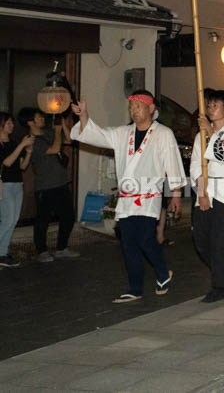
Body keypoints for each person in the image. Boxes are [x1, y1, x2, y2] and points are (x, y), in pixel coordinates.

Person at [70, 91, 186, 302]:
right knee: (128, 243)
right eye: (131, 106)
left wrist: (176, 194)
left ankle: (162, 272)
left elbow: (172, 162)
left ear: (151, 109)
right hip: (126, 198)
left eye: (139, 106)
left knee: (145, 238)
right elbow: (97, 135)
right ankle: (135, 288)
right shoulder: (123, 133)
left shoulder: (163, 133)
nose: (134, 110)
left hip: (149, 196)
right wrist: (84, 116)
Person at [189, 89, 224, 303]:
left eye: (215, 106)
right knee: (201, 240)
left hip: (223, 191)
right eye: (209, 106)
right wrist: (201, 192)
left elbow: (223, 153)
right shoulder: (200, 136)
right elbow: (196, 164)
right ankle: (222, 270)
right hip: (204, 190)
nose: (211, 109)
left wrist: (211, 132)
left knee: (220, 240)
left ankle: (220, 285)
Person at [18, 107, 77, 262]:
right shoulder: (31, 140)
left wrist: (62, 124)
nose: (42, 118)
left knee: (68, 216)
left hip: (61, 182)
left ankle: (62, 248)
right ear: (30, 122)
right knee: (43, 220)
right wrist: (57, 131)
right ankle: (42, 251)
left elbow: (69, 140)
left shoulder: (49, 133)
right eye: (39, 117)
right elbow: (55, 148)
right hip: (45, 186)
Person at [0, 112, 32, 267]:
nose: (12, 125)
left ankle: (2, 253)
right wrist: (21, 146)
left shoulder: (13, 143)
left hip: (17, 184)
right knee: (7, 220)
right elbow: (6, 162)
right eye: (8, 123)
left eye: (12, 123)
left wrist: (29, 152)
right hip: (4, 185)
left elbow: (23, 166)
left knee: (13, 220)